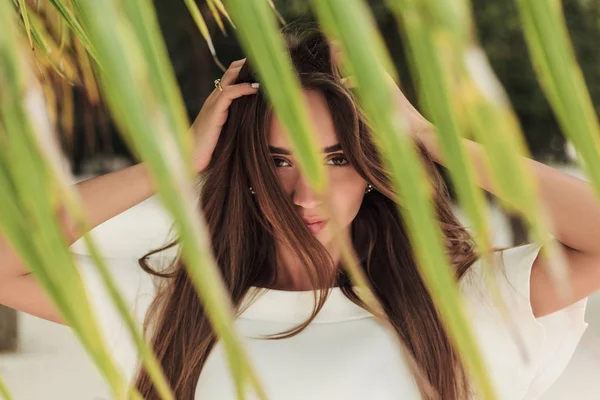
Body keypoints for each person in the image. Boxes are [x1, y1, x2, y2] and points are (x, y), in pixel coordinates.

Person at [0, 22, 595, 400]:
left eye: (337, 158)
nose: (305, 195)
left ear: (374, 169)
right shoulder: (173, 308)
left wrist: (425, 132)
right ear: (248, 170)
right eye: (278, 160)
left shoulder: (462, 299)